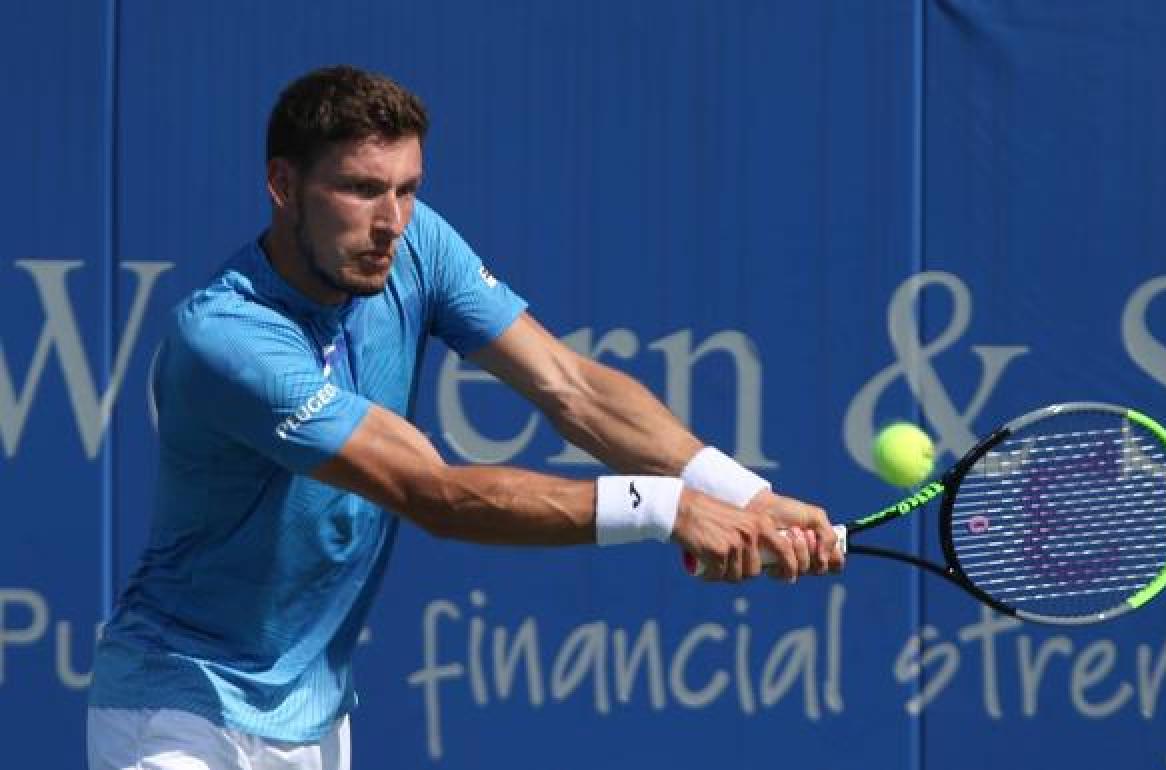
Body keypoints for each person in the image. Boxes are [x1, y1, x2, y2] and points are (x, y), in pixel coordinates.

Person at [86, 65, 845, 770]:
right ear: (283, 185)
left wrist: (743, 493)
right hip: (176, 709)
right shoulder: (228, 337)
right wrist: (666, 507)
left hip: (315, 724)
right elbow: (433, 495)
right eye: (360, 189)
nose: (391, 222)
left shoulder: (417, 244)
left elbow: (570, 387)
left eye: (407, 189)